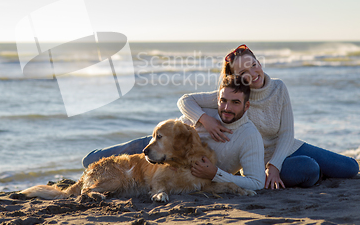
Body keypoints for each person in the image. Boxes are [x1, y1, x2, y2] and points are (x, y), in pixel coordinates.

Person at [178, 44, 359, 189]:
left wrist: (275, 166)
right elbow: (185, 101)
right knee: (310, 169)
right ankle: (315, 172)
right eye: (243, 73)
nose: (252, 74)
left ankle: (314, 171)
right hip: (261, 161)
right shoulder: (237, 98)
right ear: (236, 78)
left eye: (253, 65)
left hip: (288, 147)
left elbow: (286, 133)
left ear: (259, 62)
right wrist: (204, 119)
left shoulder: (279, 88)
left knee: (351, 168)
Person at [83, 75, 266, 190]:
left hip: (171, 156)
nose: (226, 108)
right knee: (96, 162)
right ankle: (90, 164)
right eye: (223, 101)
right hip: (160, 142)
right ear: (217, 99)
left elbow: (257, 183)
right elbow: (184, 100)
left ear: (246, 105)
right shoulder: (210, 111)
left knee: (115, 173)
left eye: (235, 103)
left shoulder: (249, 136)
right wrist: (204, 119)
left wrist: (215, 173)